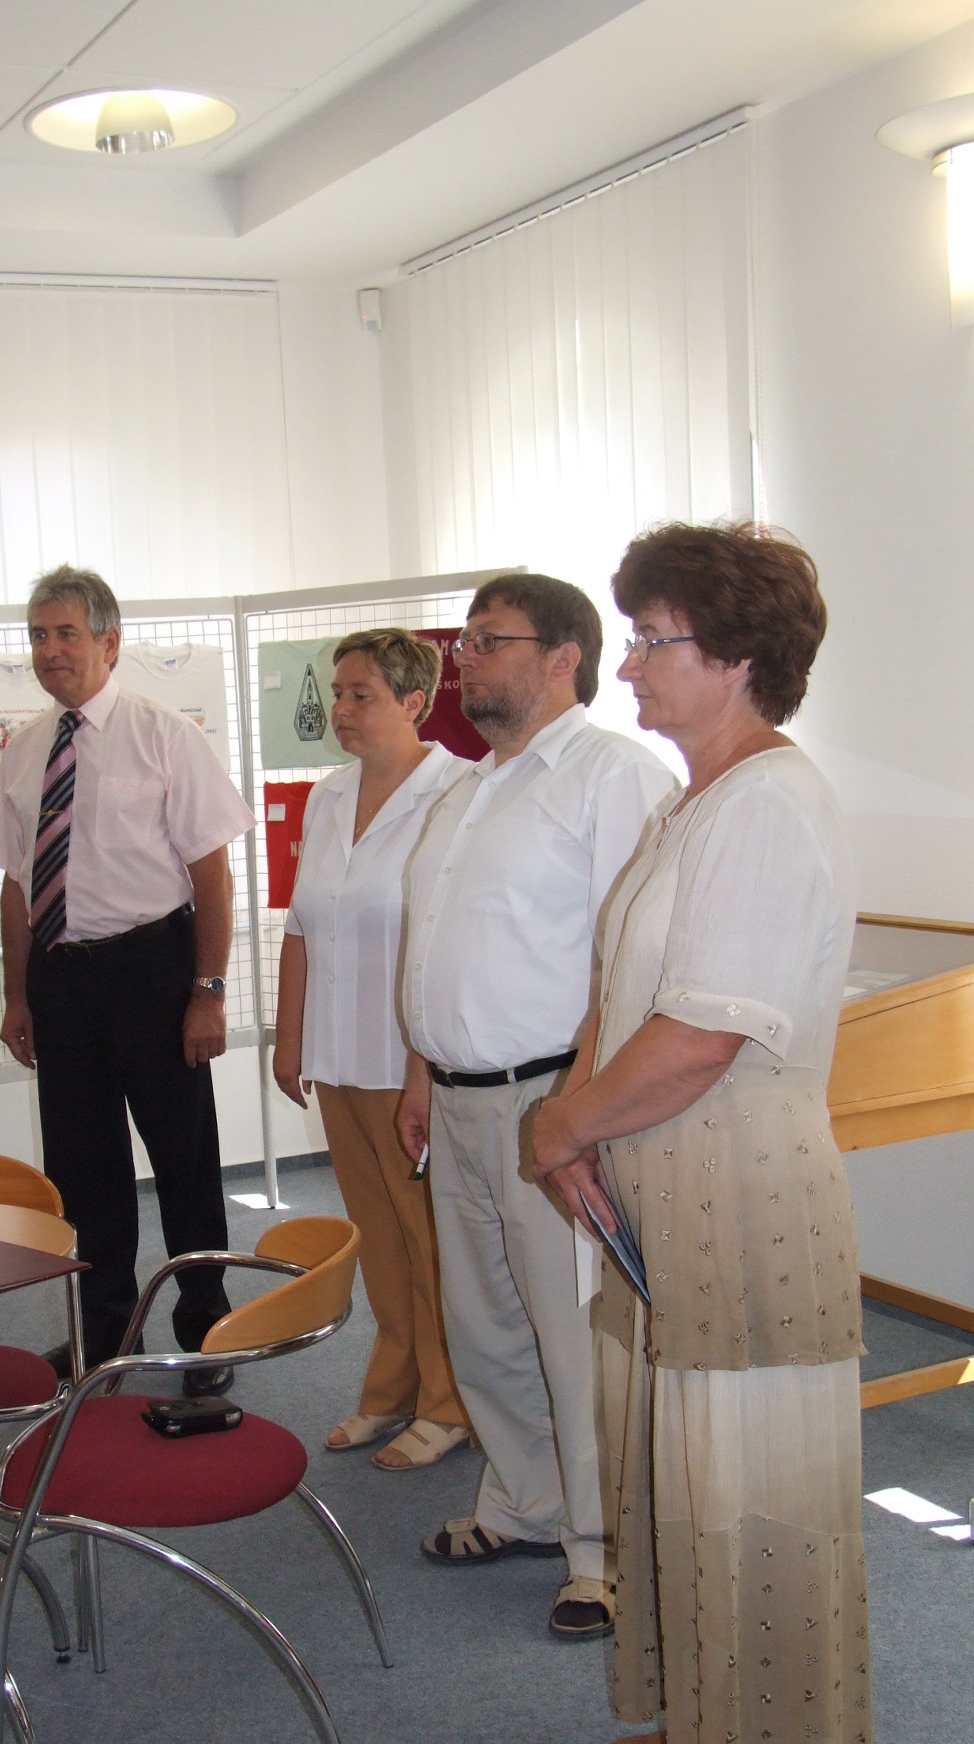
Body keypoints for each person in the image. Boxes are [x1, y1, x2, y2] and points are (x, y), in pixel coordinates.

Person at [531, 521, 870, 1744]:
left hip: (741, 1192)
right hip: (666, 1184)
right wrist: (582, 1125)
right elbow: (626, 999)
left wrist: (560, 1125)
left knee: (748, 1489)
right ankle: (705, 1724)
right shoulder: (700, 798)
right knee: (679, 1479)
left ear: (732, 655)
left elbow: (699, 1037)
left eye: (650, 640)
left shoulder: (769, 805)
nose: (626, 666)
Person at [397, 573, 676, 1637]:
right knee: (486, 1326)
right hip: (458, 1099)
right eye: (465, 642)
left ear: (564, 658)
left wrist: (585, 1112)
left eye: (489, 640)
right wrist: (421, 1072)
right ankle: (521, 1503)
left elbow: (630, 961)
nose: (464, 659)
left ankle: (601, 1554)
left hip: (556, 1098)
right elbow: (438, 944)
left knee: (574, 1333)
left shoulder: (615, 777)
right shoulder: (467, 788)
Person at [0, 565, 254, 1384]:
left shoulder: (163, 734)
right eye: (38, 636)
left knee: (184, 1163)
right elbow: (17, 883)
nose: (50, 651)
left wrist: (207, 993)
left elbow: (213, 876)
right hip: (61, 978)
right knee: (82, 1173)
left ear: (110, 642)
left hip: (153, 969)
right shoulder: (27, 748)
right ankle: (103, 1337)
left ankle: (205, 1332)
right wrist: (17, 995)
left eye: (67, 634)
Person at [272, 629, 473, 1470]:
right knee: (378, 1236)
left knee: (431, 1241)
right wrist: (289, 1040)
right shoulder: (328, 797)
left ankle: (451, 1403)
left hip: (410, 1062)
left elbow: (452, 942)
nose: (342, 710)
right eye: (337, 693)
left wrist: (424, 1066)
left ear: (415, 702)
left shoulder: (459, 793)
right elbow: (301, 924)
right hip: (339, 1055)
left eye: (362, 695)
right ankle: (391, 1390)